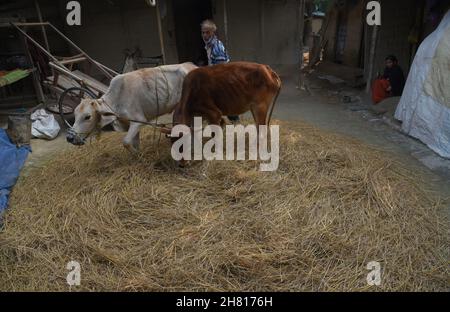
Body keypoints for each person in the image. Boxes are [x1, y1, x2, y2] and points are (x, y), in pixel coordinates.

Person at [200, 19, 239, 123]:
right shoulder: (209, 44)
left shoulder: (216, 47)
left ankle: (233, 121)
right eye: (203, 32)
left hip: (223, 77)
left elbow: (221, 70)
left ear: (213, 32)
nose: (204, 35)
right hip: (217, 75)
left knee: (224, 101)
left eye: (207, 32)